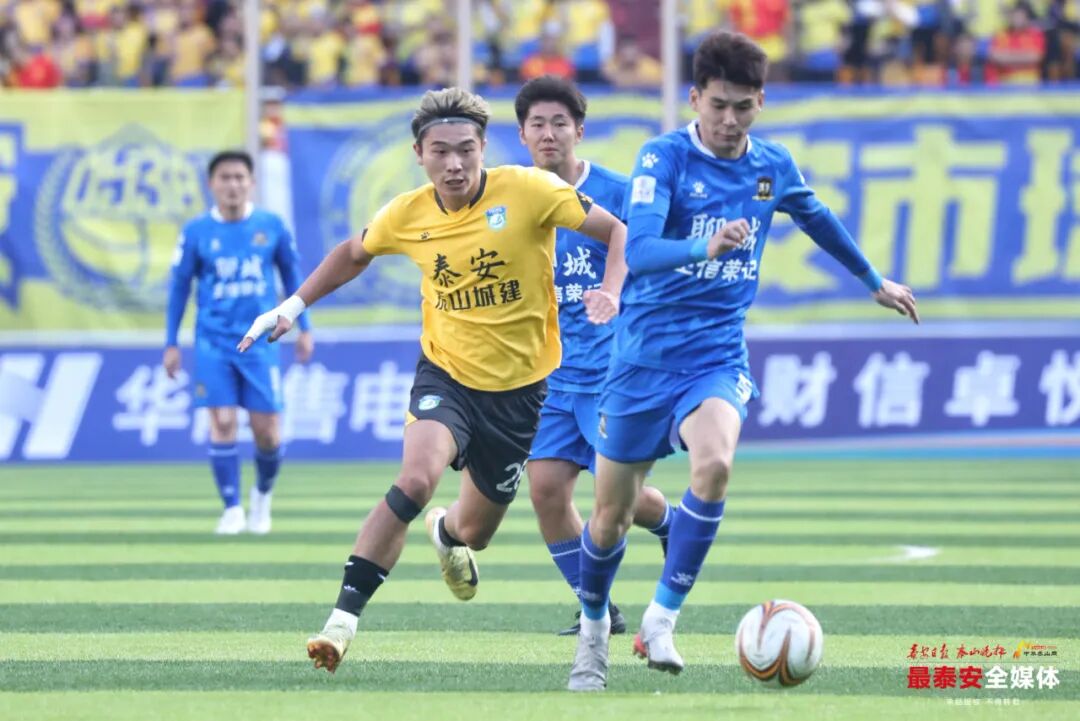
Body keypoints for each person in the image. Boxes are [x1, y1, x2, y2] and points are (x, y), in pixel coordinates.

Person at [567, 30, 920, 691]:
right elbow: (639, 251)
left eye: (743, 107)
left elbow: (816, 217)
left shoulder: (772, 165)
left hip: (716, 353)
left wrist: (874, 280)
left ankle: (662, 619)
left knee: (716, 463)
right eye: (718, 105)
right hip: (641, 359)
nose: (730, 120)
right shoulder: (663, 158)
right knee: (610, 515)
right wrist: (704, 246)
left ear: (761, 102)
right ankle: (591, 636)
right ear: (695, 99)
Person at [239, 87, 628, 674]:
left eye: (466, 150)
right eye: (440, 152)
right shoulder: (407, 213)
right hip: (445, 375)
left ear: (484, 148)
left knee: (475, 530)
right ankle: (340, 624)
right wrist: (291, 307)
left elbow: (617, 231)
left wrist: (612, 291)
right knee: (416, 478)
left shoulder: (530, 190)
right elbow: (354, 252)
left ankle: (446, 533)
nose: (454, 164)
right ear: (419, 154)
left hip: (520, 393)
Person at [514, 75, 674, 637]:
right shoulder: (510, 197)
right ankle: (598, 612)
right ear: (522, 134)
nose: (549, 133)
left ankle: (673, 524)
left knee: (617, 495)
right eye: (537, 124)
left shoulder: (619, 192)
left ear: (579, 131)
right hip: (548, 376)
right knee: (546, 491)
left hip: (612, 370)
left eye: (560, 123)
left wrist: (615, 292)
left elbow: (647, 252)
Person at [165, 150, 314, 535]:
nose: (232, 184)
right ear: (212, 184)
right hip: (213, 342)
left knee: (268, 432)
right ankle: (232, 508)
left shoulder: (271, 226)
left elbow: (293, 278)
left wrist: (305, 327)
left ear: (251, 182)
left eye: (239, 177)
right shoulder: (196, 232)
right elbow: (179, 288)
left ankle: (262, 495)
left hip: (260, 343)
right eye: (225, 178)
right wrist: (171, 342)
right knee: (223, 421)